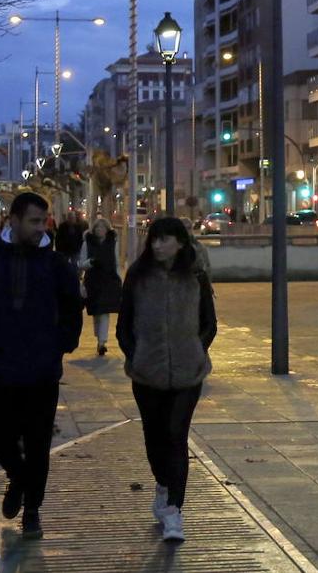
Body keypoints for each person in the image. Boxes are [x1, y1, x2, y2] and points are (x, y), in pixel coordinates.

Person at [0, 192, 82, 540]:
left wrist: (60, 345)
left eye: (44, 221)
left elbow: (72, 310)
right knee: (1, 440)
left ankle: (33, 511)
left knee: (38, 442)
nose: (41, 228)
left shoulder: (57, 267)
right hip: (0, 372)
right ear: (13, 220)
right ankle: (19, 479)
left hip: (41, 372)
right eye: (33, 221)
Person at [116, 217, 217, 544]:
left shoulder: (196, 277)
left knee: (176, 435)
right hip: (148, 373)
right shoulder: (138, 275)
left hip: (188, 373)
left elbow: (209, 324)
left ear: (181, 242)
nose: (157, 245)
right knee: (154, 437)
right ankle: (162, 484)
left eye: (165, 239)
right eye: (154, 239)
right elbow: (124, 325)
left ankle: (174, 511)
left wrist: (194, 351)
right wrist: (136, 355)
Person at [77, 217, 120, 356]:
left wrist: (118, 279)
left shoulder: (113, 243)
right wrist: (91, 262)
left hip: (108, 280)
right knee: (96, 311)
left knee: (104, 311)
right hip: (93, 281)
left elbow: (116, 262)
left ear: (107, 230)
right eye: (97, 228)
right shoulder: (87, 244)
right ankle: (99, 338)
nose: (99, 230)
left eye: (102, 228)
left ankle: (102, 342)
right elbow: (81, 263)